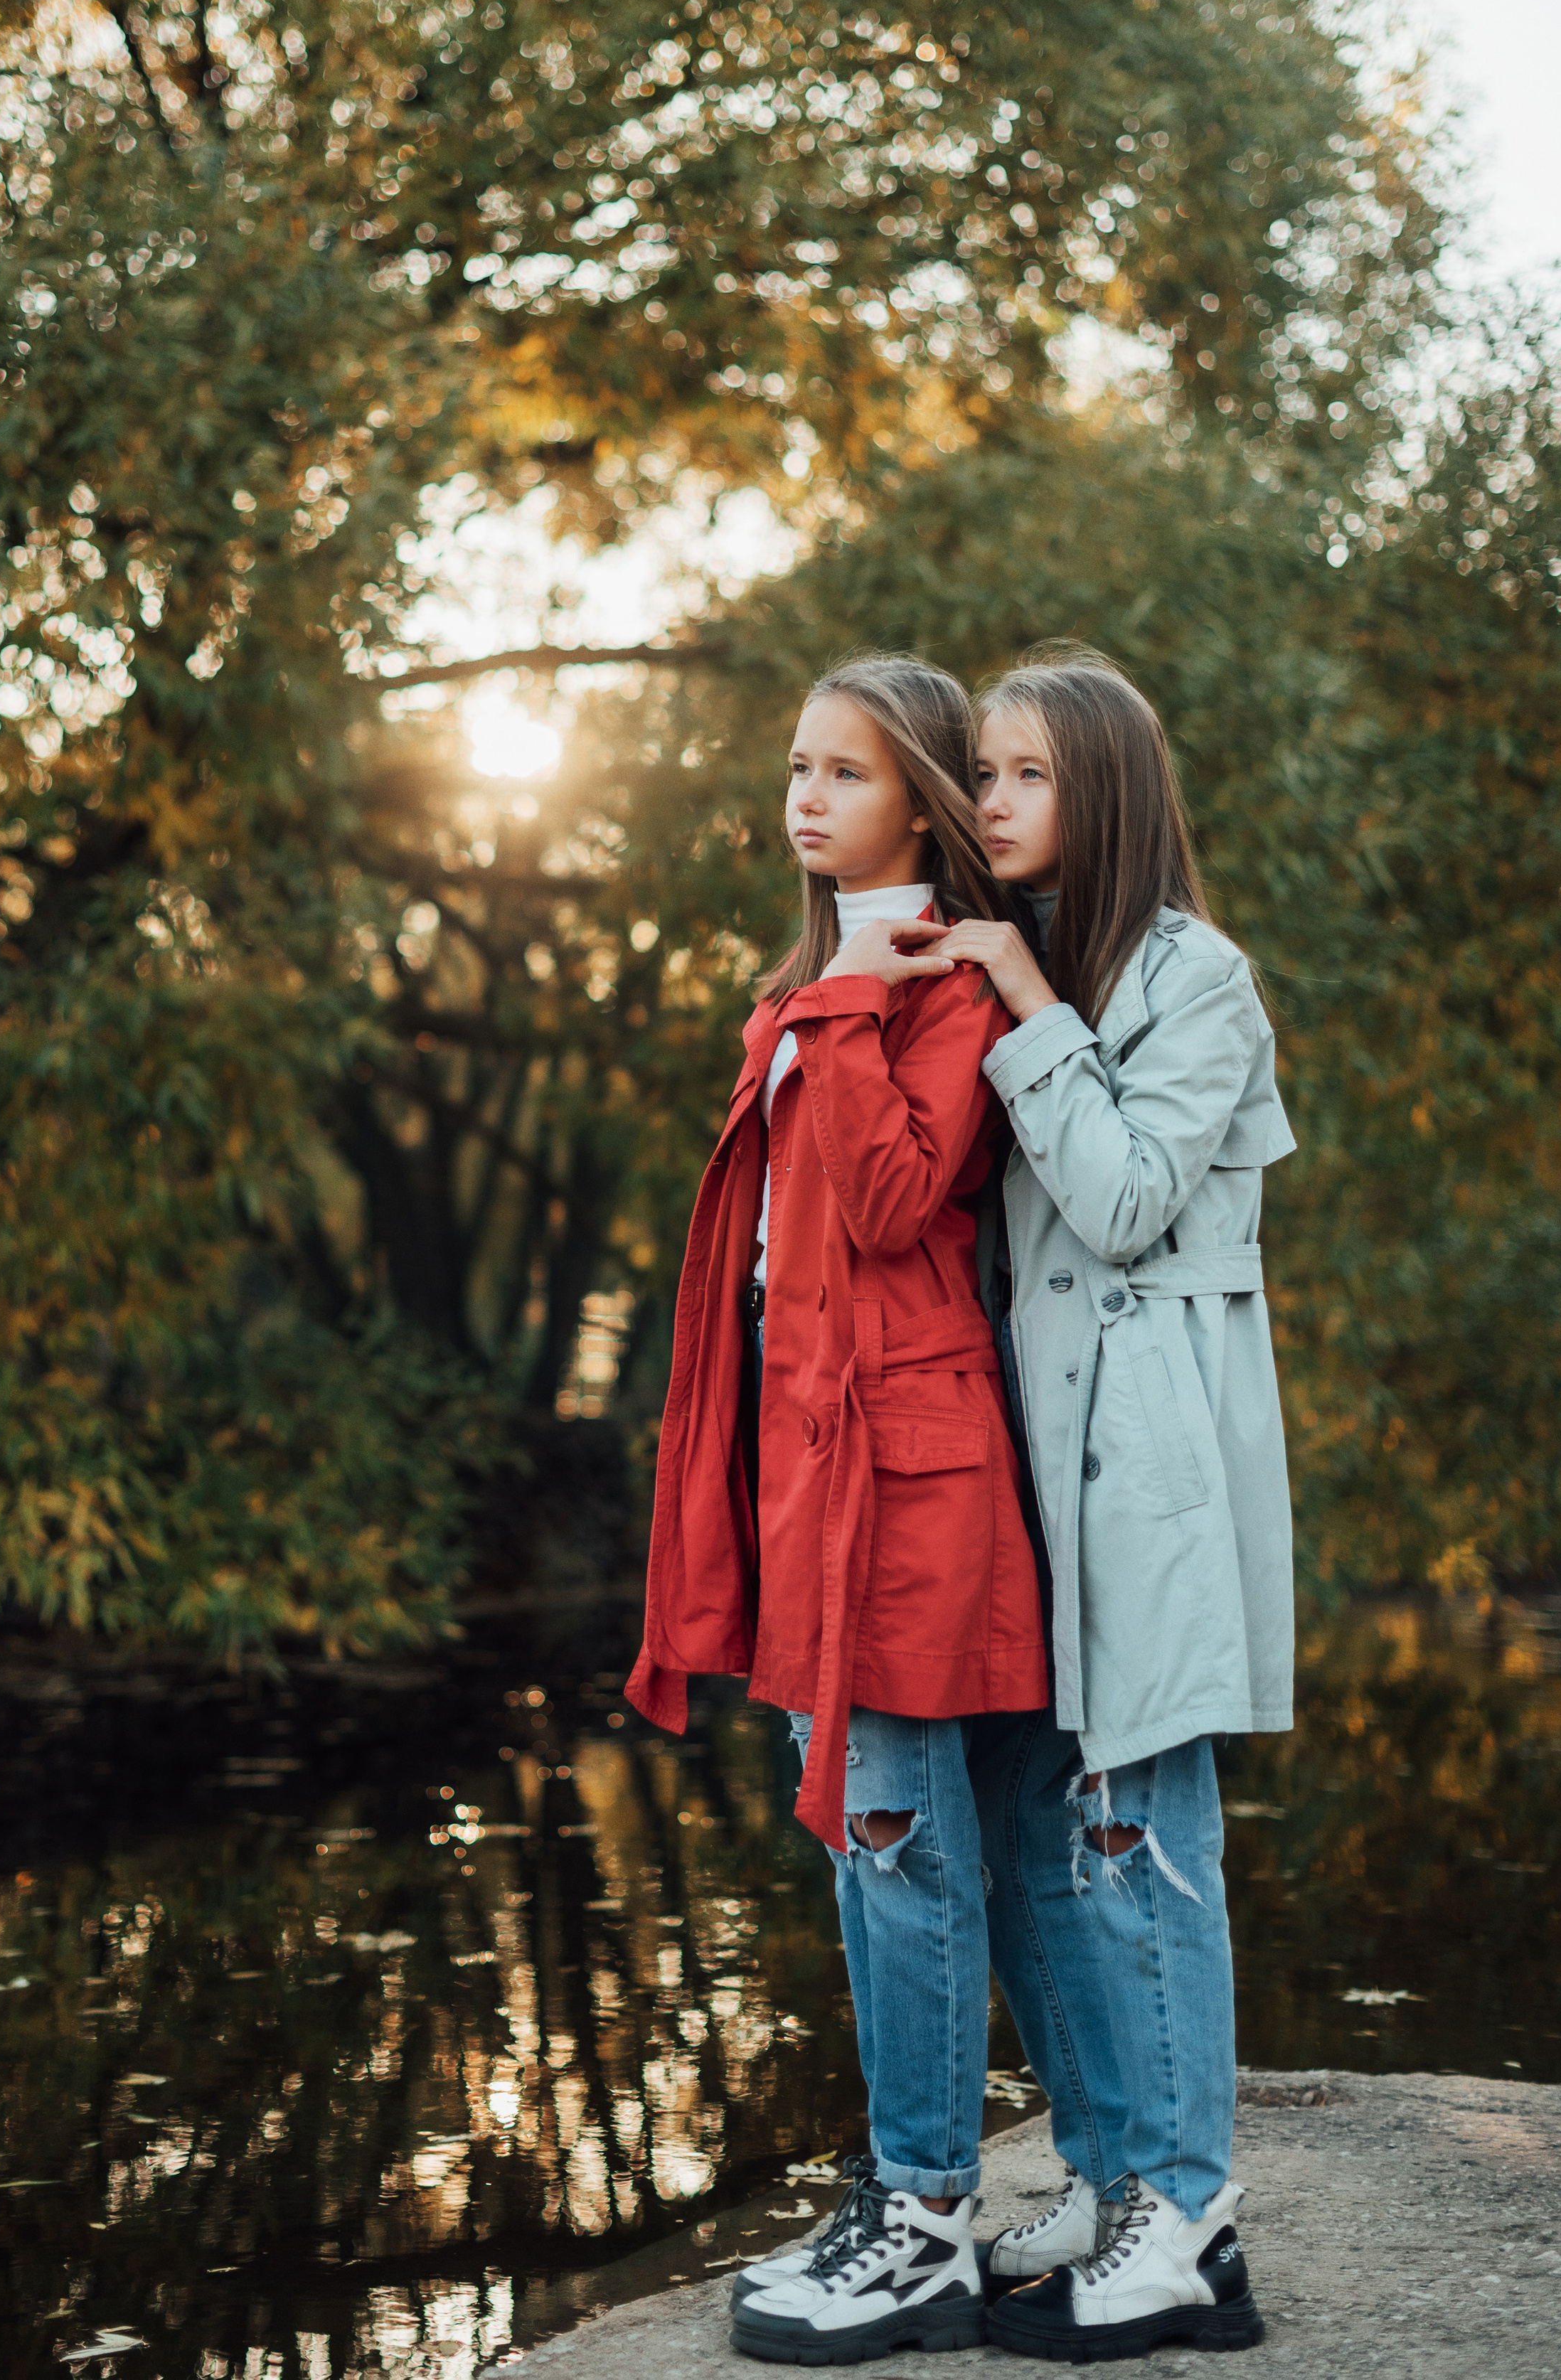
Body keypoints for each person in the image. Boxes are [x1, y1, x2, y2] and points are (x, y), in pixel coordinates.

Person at [863, 646, 1294, 2362]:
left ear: (1099, 788)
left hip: (1153, 1476)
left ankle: (1186, 2222)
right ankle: (1114, 2182)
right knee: (1051, 1832)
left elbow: (1117, 1205)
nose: (987, 803)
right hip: (1023, 1469)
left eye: (1022, 774)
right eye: (979, 772)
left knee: (1140, 1842)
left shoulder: (1196, 981)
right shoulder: (1006, 964)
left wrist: (1024, 1013)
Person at [626, 654, 1049, 2364]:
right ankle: (915, 2195)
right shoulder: (825, 977)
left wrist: (855, 1003)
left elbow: (886, 1203)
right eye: (795, 767)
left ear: (922, 802)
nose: (804, 799)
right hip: (808, 1463)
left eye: (845, 775)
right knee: (881, 1844)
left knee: (901, 1843)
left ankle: (930, 2216)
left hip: (910, 1475)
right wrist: (827, 996)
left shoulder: (942, 988)